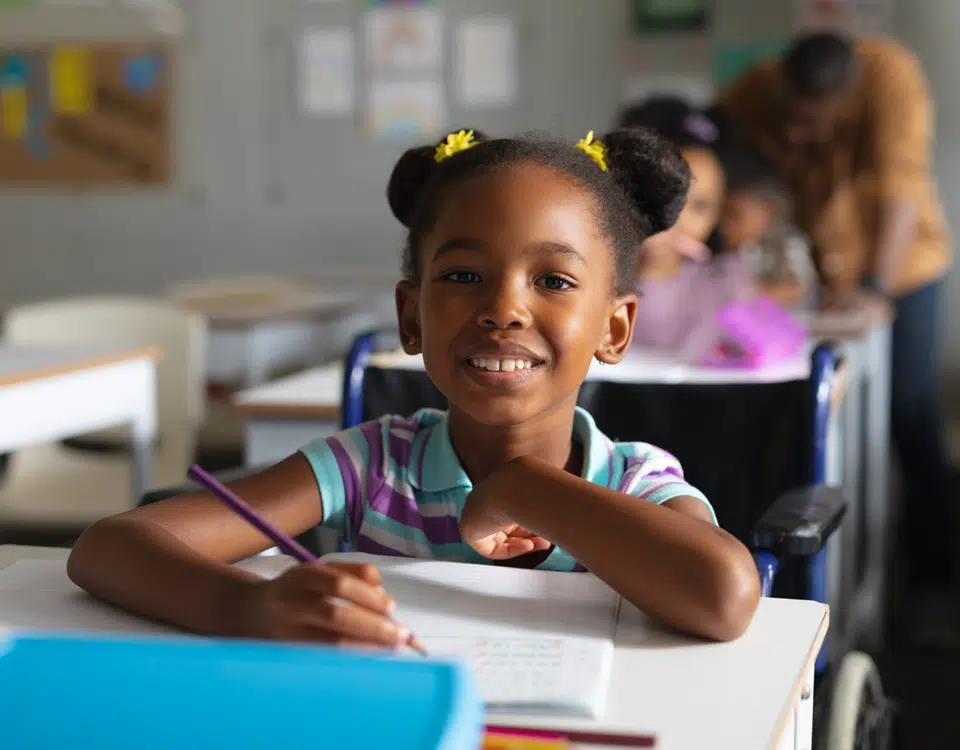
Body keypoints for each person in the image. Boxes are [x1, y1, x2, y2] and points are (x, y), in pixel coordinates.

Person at [66, 128, 761, 646]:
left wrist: (521, 490)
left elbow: (724, 594)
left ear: (615, 327)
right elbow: (108, 548)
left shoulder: (635, 481)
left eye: (552, 280)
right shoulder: (368, 467)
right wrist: (250, 608)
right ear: (410, 315)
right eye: (462, 276)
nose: (505, 309)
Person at [719, 32, 955, 638]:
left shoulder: (890, 79)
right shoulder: (753, 91)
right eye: (789, 121)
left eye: (813, 125)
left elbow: (899, 189)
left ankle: (933, 580)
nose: (797, 137)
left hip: (902, 269)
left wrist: (876, 284)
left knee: (909, 414)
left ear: (846, 101)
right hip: (829, 278)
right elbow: (729, 173)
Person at [618, 97, 756, 356]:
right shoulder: (606, 274)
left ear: (718, 215)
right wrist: (651, 271)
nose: (679, 217)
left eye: (701, 206)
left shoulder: (725, 278)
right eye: (667, 198)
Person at [719, 142, 817, 309]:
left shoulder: (786, 243)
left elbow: (799, 288)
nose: (725, 225)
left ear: (767, 212)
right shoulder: (732, 249)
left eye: (735, 215)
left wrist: (752, 295)